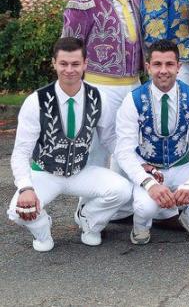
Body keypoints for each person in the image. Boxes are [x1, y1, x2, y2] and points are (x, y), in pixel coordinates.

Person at [6, 37, 132, 252]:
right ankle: (43, 229)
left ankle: (89, 220)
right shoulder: (36, 101)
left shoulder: (98, 97)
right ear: (54, 64)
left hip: (80, 171)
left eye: (75, 64)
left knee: (123, 190)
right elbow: (21, 152)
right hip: (44, 173)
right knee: (17, 210)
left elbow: (112, 140)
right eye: (63, 64)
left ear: (85, 64)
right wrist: (26, 187)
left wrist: (138, 169)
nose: (69, 70)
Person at [114, 40, 189, 245]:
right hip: (150, 171)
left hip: (181, 166)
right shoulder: (133, 100)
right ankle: (141, 226)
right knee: (146, 208)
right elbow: (123, 152)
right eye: (157, 64)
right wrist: (149, 183)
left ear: (179, 67)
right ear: (148, 67)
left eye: (169, 64)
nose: (163, 71)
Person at [62, 0, 143, 168]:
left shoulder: (138, 3)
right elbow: (69, 51)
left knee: (129, 148)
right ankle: (88, 202)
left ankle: (123, 200)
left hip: (135, 86)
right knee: (93, 150)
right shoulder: (83, 4)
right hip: (98, 86)